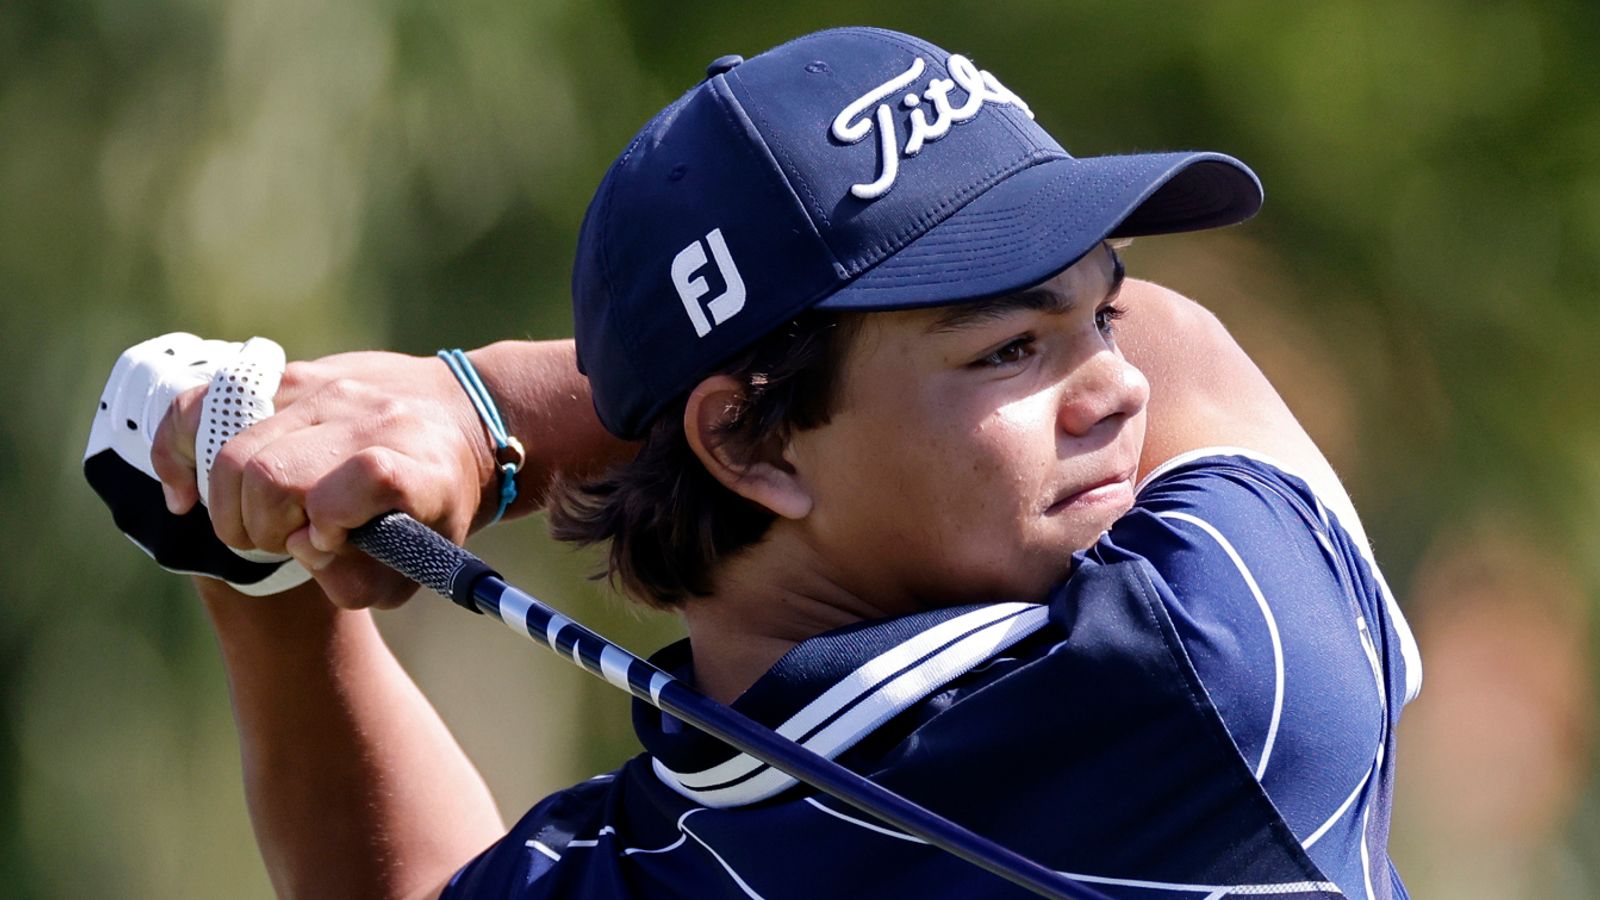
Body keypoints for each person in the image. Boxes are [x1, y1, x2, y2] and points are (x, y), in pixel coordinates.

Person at [112, 27, 1420, 900]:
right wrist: (486, 413)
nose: (1115, 383)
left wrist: (264, 561)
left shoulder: (1184, 698)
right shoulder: (1223, 655)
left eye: (1099, 309)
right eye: (1016, 347)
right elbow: (1192, 358)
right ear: (746, 441)